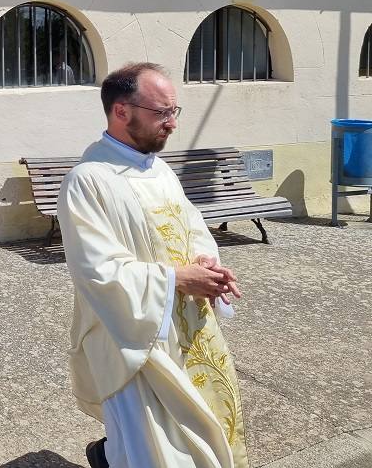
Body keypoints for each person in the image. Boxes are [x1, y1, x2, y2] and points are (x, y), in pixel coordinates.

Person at [57, 62, 247, 468]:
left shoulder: (159, 170)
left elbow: (191, 228)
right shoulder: (88, 180)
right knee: (154, 452)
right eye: (162, 113)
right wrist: (177, 278)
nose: (172, 124)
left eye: (175, 111)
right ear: (121, 112)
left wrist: (208, 266)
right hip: (132, 335)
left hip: (186, 327)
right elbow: (96, 270)